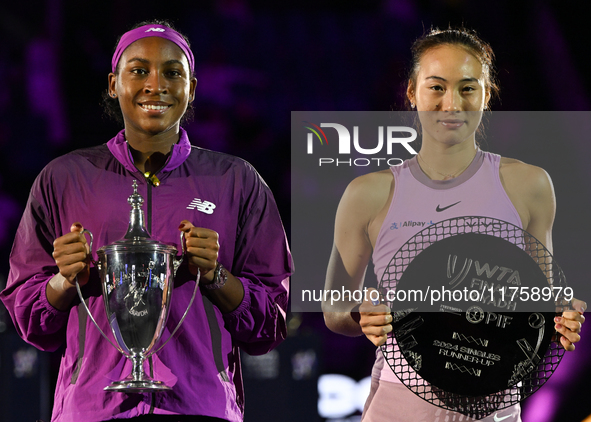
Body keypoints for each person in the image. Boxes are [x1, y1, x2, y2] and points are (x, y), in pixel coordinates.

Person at [0, 20, 292, 422]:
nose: (156, 84)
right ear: (112, 83)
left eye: (173, 73)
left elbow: (270, 324)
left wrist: (216, 276)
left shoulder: (237, 181)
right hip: (92, 410)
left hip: (199, 408)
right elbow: (27, 318)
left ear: (191, 88)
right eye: (138, 70)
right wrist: (64, 280)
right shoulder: (63, 179)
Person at [322, 28, 585, 422]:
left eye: (467, 88)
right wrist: (362, 316)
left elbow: (541, 295)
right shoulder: (368, 192)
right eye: (436, 88)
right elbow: (334, 308)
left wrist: (564, 313)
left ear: (487, 93)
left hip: (494, 403)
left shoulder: (530, 184)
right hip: (401, 403)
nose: (452, 104)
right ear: (412, 92)